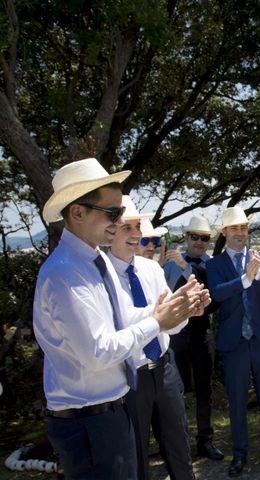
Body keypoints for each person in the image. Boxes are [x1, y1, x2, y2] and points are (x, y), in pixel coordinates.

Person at [33, 158, 203, 479]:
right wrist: (158, 321)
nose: (119, 221)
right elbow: (99, 351)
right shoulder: (65, 274)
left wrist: (177, 309)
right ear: (78, 213)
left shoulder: (92, 262)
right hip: (89, 422)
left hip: (109, 410)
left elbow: (128, 322)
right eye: (113, 214)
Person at [108, 196, 195, 480]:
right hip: (130, 377)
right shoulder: (101, 277)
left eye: (138, 227)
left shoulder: (151, 270)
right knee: (137, 456)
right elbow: (115, 330)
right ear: (110, 231)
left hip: (166, 371)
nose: (136, 235)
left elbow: (170, 327)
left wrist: (186, 310)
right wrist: (159, 315)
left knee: (180, 448)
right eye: (127, 228)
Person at [206, 206, 260, 477]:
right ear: (225, 232)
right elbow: (217, 293)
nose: (239, 233)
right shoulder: (214, 264)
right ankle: (239, 455)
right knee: (237, 400)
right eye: (234, 228)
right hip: (233, 341)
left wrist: (259, 273)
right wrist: (245, 278)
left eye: (243, 228)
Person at [163, 215, 224, 461]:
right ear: (186, 237)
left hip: (201, 334)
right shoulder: (168, 263)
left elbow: (211, 296)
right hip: (173, 336)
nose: (199, 242)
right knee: (174, 391)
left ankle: (205, 441)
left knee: (203, 390)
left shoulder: (211, 265)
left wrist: (184, 267)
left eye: (205, 238)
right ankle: (178, 444)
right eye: (195, 237)